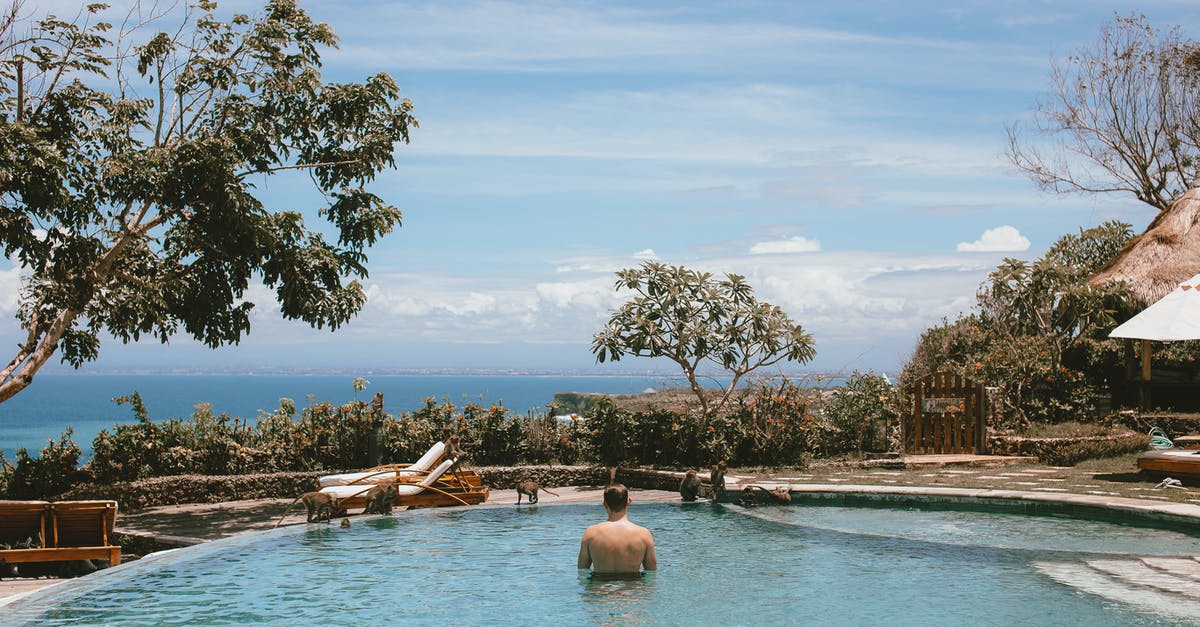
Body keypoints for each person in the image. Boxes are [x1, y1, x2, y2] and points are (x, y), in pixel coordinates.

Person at [577, 484, 657, 577]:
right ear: (629, 501)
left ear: (604, 503)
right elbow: (651, 573)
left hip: (600, 589)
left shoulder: (590, 533)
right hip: (632, 590)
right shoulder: (643, 534)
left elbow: (582, 570)